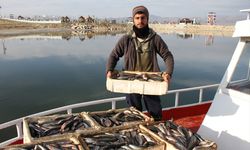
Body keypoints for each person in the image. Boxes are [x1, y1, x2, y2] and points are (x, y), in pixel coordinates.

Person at [106, 5, 174, 121]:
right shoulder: (126, 39)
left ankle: (156, 126)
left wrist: (168, 72)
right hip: (131, 80)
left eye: (143, 18)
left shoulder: (155, 39)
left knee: (155, 110)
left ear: (147, 19)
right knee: (135, 112)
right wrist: (109, 70)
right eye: (137, 18)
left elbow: (167, 56)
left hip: (151, 79)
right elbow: (114, 55)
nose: (140, 21)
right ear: (133, 19)